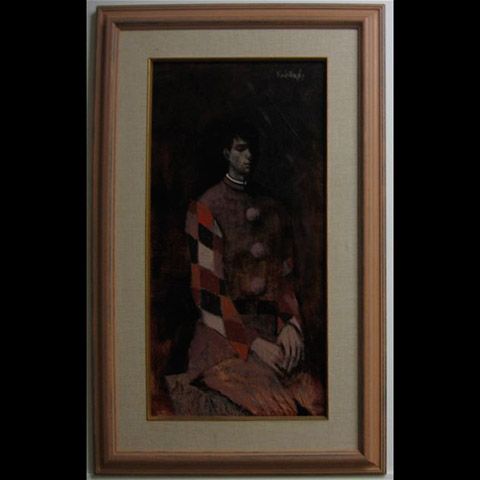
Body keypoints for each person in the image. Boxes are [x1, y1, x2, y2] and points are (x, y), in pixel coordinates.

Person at [165, 120, 325, 416]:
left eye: (252, 149)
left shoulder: (274, 209)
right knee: (275, 406)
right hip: (223, 341)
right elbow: (209, 297)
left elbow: (286, 280)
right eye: (241, 149)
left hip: (274, 338)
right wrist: (254, 344)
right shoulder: (206, 207)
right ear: (227, 153)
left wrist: (291, 323)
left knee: (315, 400)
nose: (249, 156)